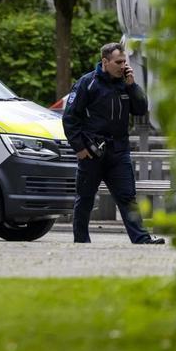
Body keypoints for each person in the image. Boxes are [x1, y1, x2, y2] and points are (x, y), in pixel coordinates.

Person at [62, 43, 166, 245]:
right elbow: (70, 118)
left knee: (128, 198)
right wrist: (80, 148)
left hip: (119, 152)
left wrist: (133, 85)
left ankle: (141, 239)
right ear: (105, 62)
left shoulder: (125, 83)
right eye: (119, 62)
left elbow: (140, 109)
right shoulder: (87, 83)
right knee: (85, 199)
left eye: (124, 61)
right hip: (92, 152)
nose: (123, 66)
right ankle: (81, 241)